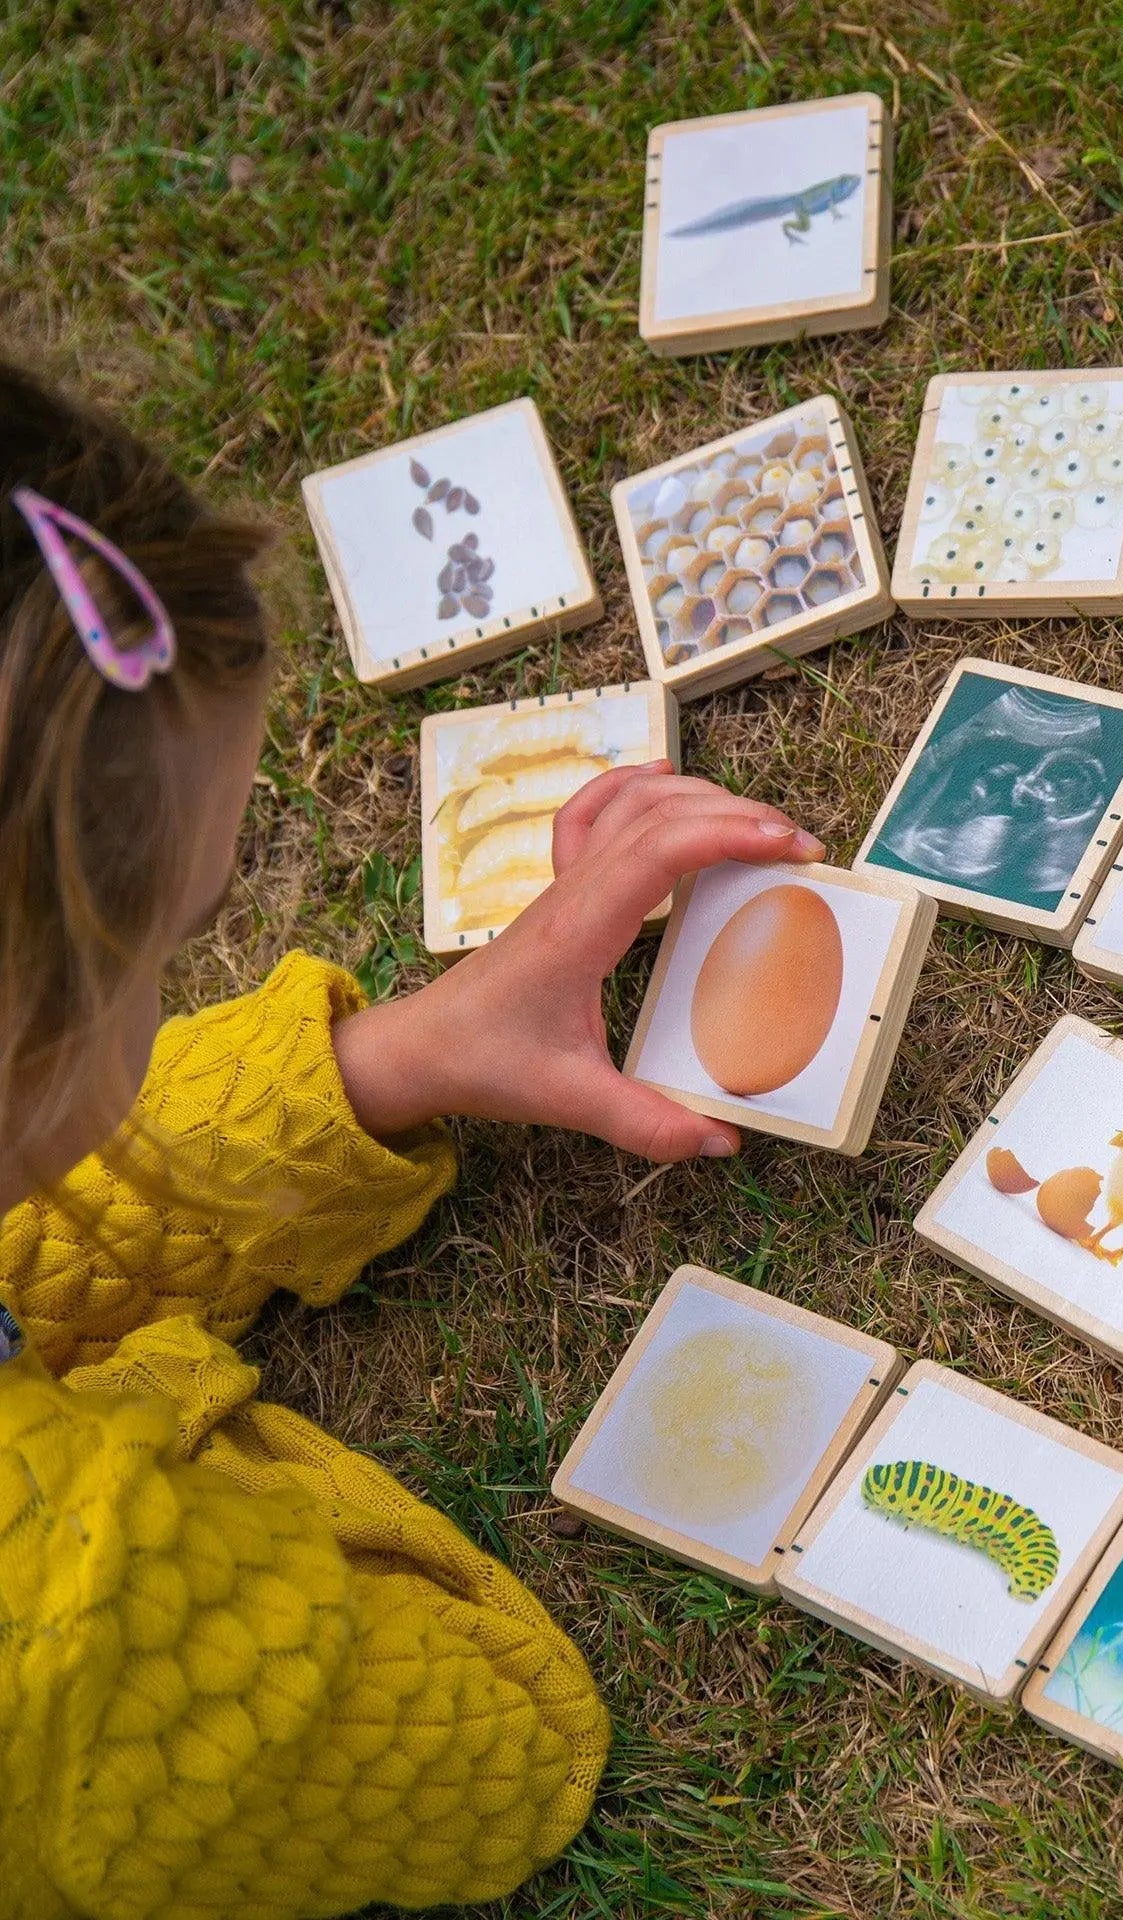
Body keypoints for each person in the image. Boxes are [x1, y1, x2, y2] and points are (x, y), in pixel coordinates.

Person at [0, 361, 828, 1918]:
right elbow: (486, 1744)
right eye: (171, 952)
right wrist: (136, 1413)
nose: (179, 985)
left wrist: (386, 1064)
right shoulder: (56, 1632)